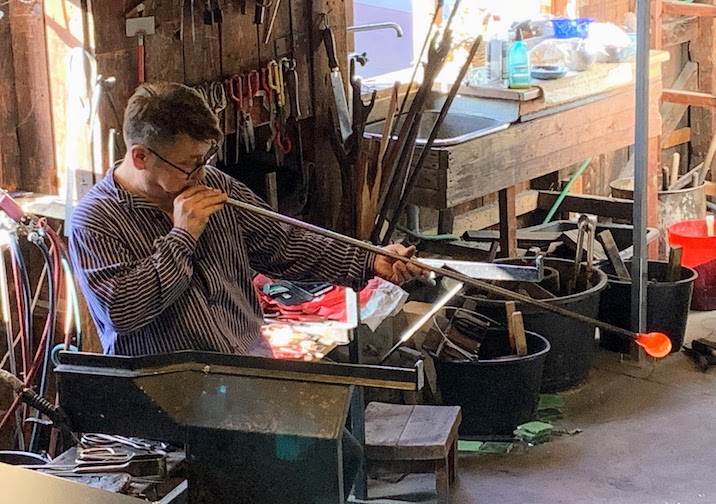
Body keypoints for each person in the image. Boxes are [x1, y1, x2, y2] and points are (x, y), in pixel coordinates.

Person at [68, 82, 426, 498]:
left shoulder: (215, 188)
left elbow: (286, 244)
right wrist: (183, 236)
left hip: (249, 378)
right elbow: (123, 310)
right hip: (173, 408)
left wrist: (368, 261)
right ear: (141, 156)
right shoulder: (95, 221)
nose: (201, 173)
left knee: (338, 458)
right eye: (188, 164)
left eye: (205, 159)